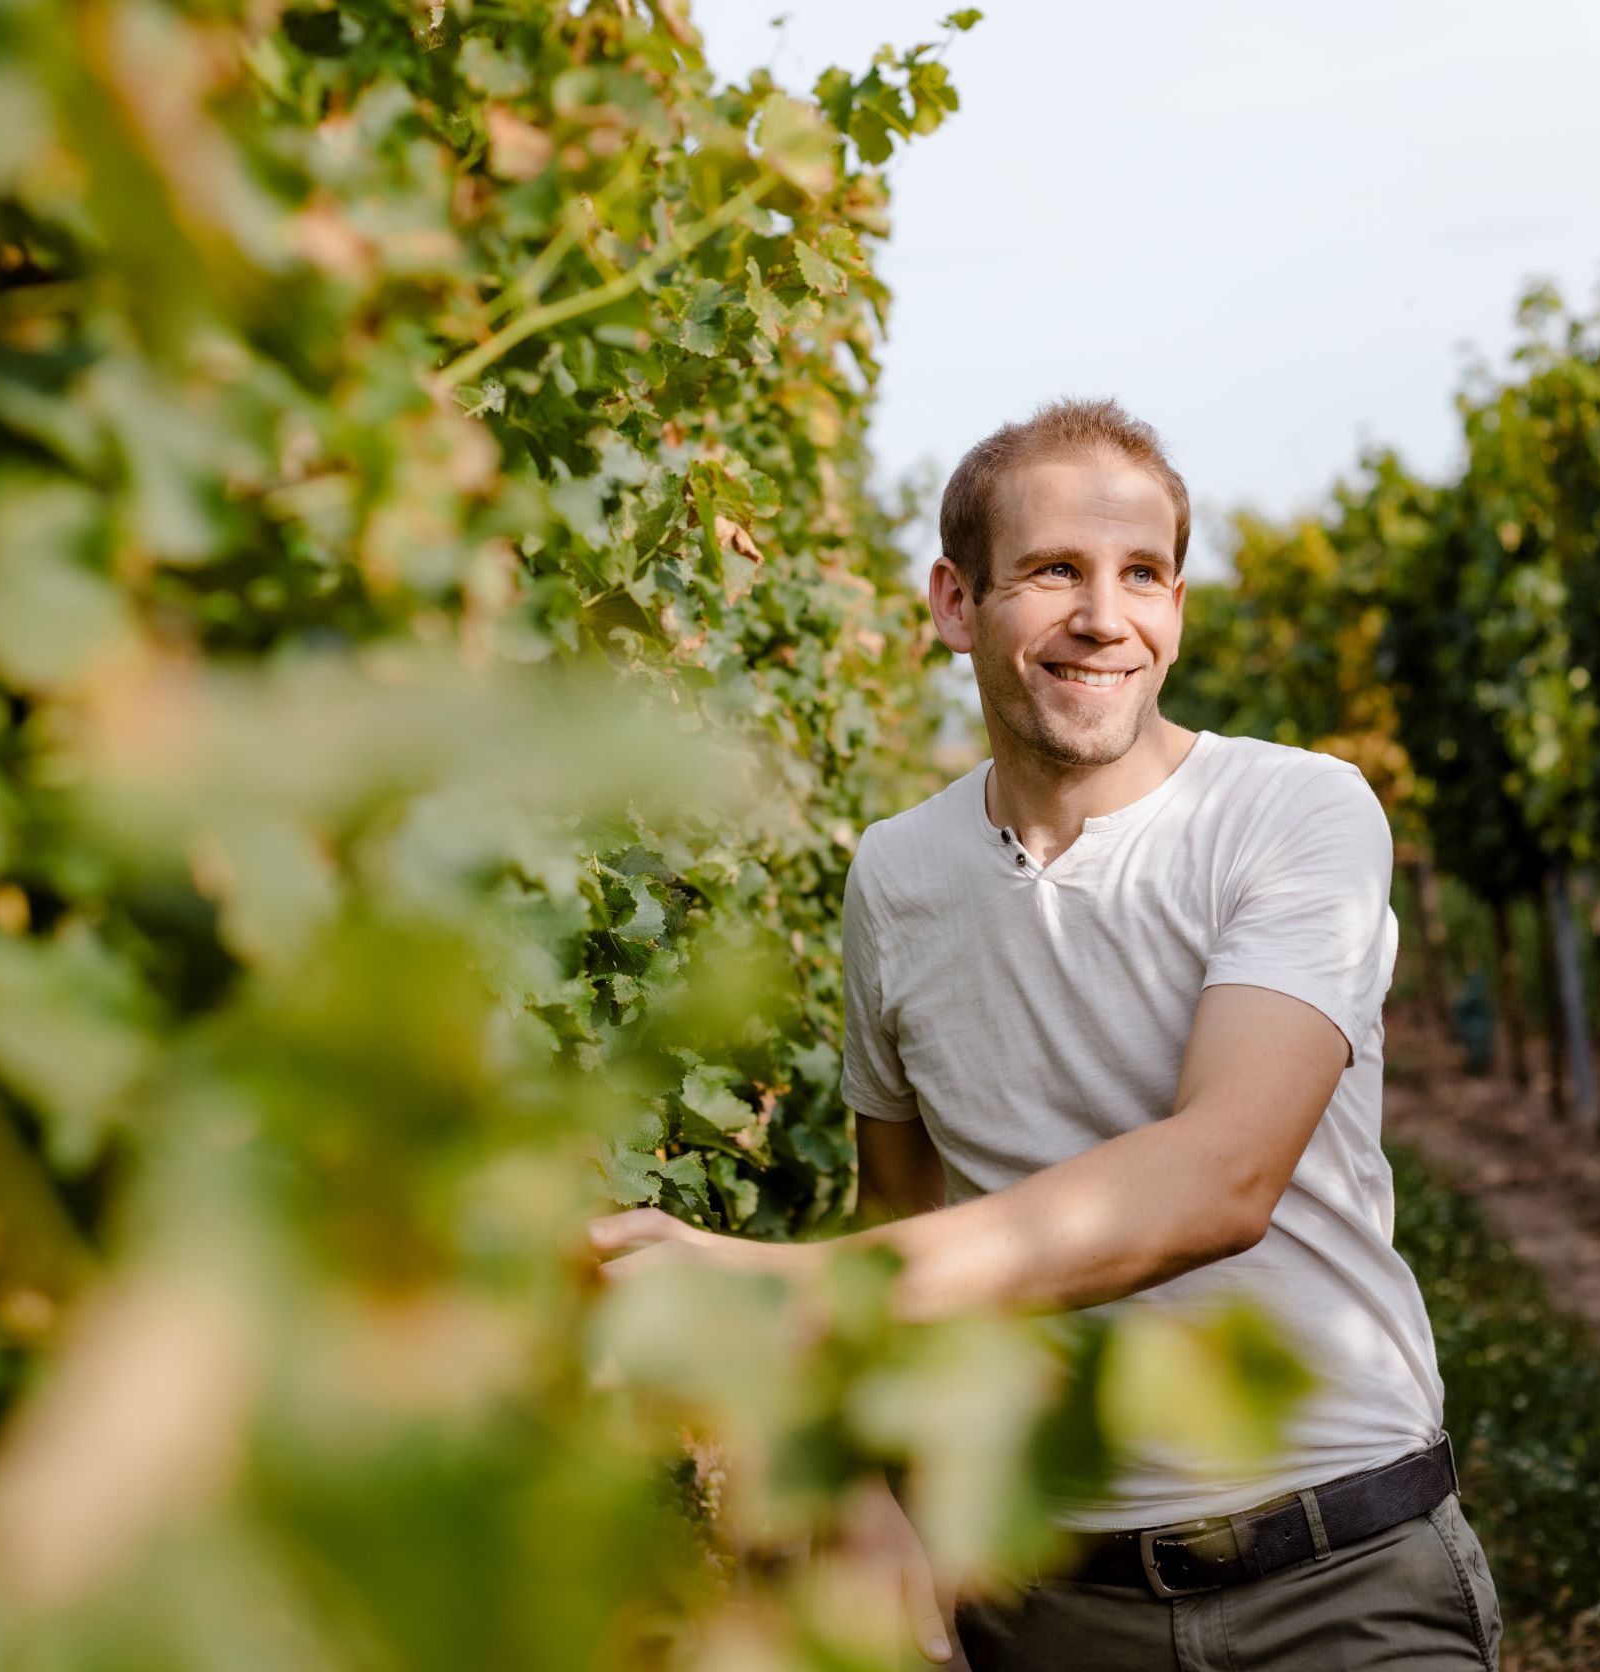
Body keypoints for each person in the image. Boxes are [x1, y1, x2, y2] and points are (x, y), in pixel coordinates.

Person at [589, 398, 1500, 1670]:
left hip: (1338, 1577)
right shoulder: (895, 876)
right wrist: (866, 1493)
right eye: (1055, 572)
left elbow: (1221, 1178)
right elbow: (895, 1219)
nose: (1103, 616)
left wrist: (758, 1288)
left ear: (1177, 609)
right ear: (956, 604)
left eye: (1142, 576)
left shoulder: (1297, 812)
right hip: (1044, 1607)